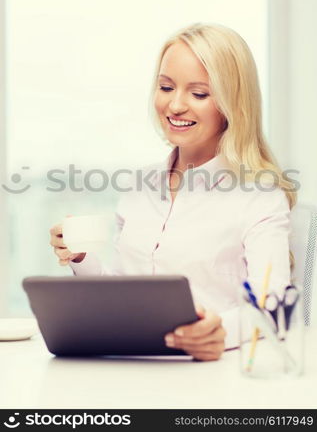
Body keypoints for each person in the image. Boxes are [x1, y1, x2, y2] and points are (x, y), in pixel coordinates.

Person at [49, 23, 296, 361]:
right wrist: (81, 258)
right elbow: (125, 289)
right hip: (132, 365)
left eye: (199, 94)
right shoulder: (140, 185)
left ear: (231, 105)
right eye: (166, 87)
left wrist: (220, 333)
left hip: (211, 376)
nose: (175, 105)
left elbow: (274, 305)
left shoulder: (259, 195)